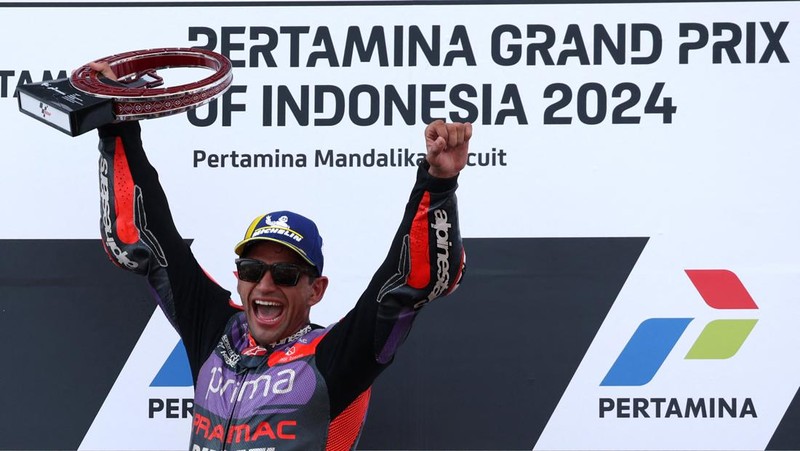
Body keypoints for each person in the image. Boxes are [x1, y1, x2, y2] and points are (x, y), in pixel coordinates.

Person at [91, 62, 471, 450]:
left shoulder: (333, 360)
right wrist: (115, 119)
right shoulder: (216, 333)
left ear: (316, 290)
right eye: (252, 269)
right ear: (238, 276)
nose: (265, 284)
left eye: (286, 273)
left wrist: (437, 185)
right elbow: (149, 240)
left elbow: (405, 283)